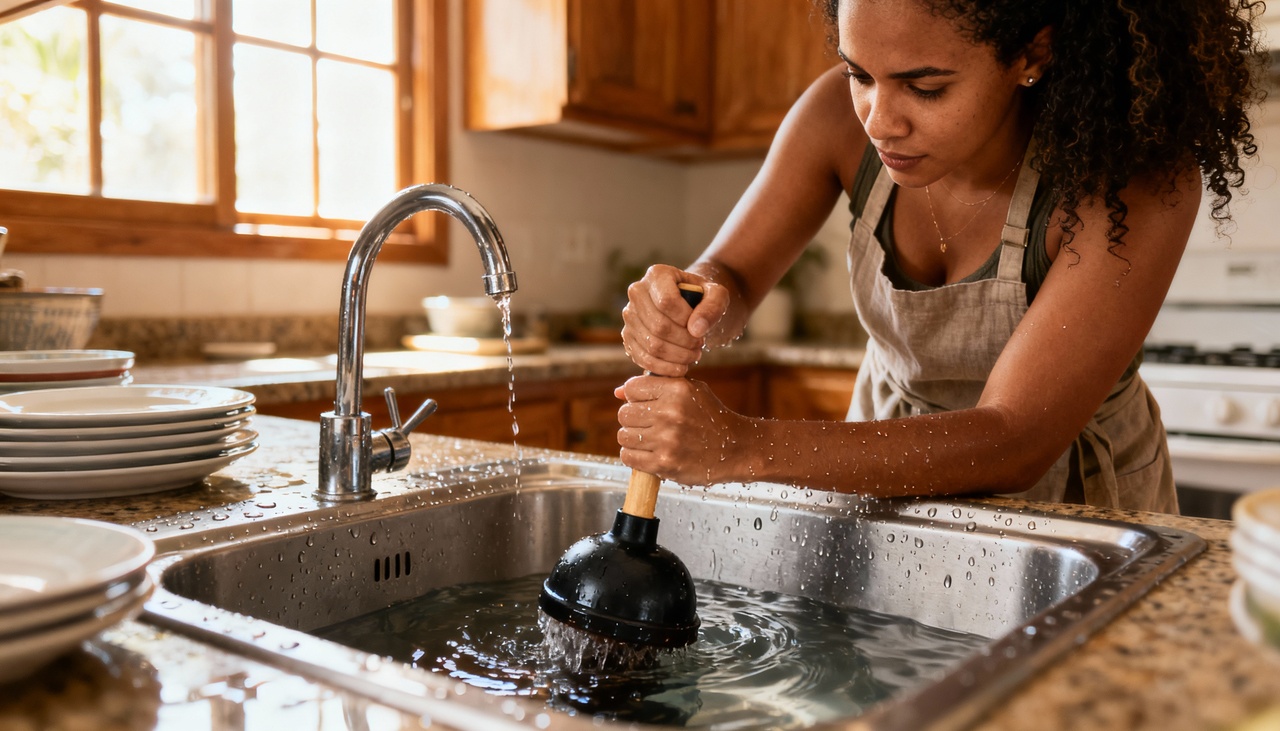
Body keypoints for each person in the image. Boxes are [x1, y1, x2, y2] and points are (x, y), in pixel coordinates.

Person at [614, 0, 1262, 512]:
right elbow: (732, 274)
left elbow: (1014, 439)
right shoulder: (835, 122)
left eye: (924, 87)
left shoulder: (1130, 178)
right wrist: (691, 301)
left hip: (1075, 503)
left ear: (1031, 52)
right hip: (875, 479)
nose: (878, 121)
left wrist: (743, 447)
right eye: (858, 74)